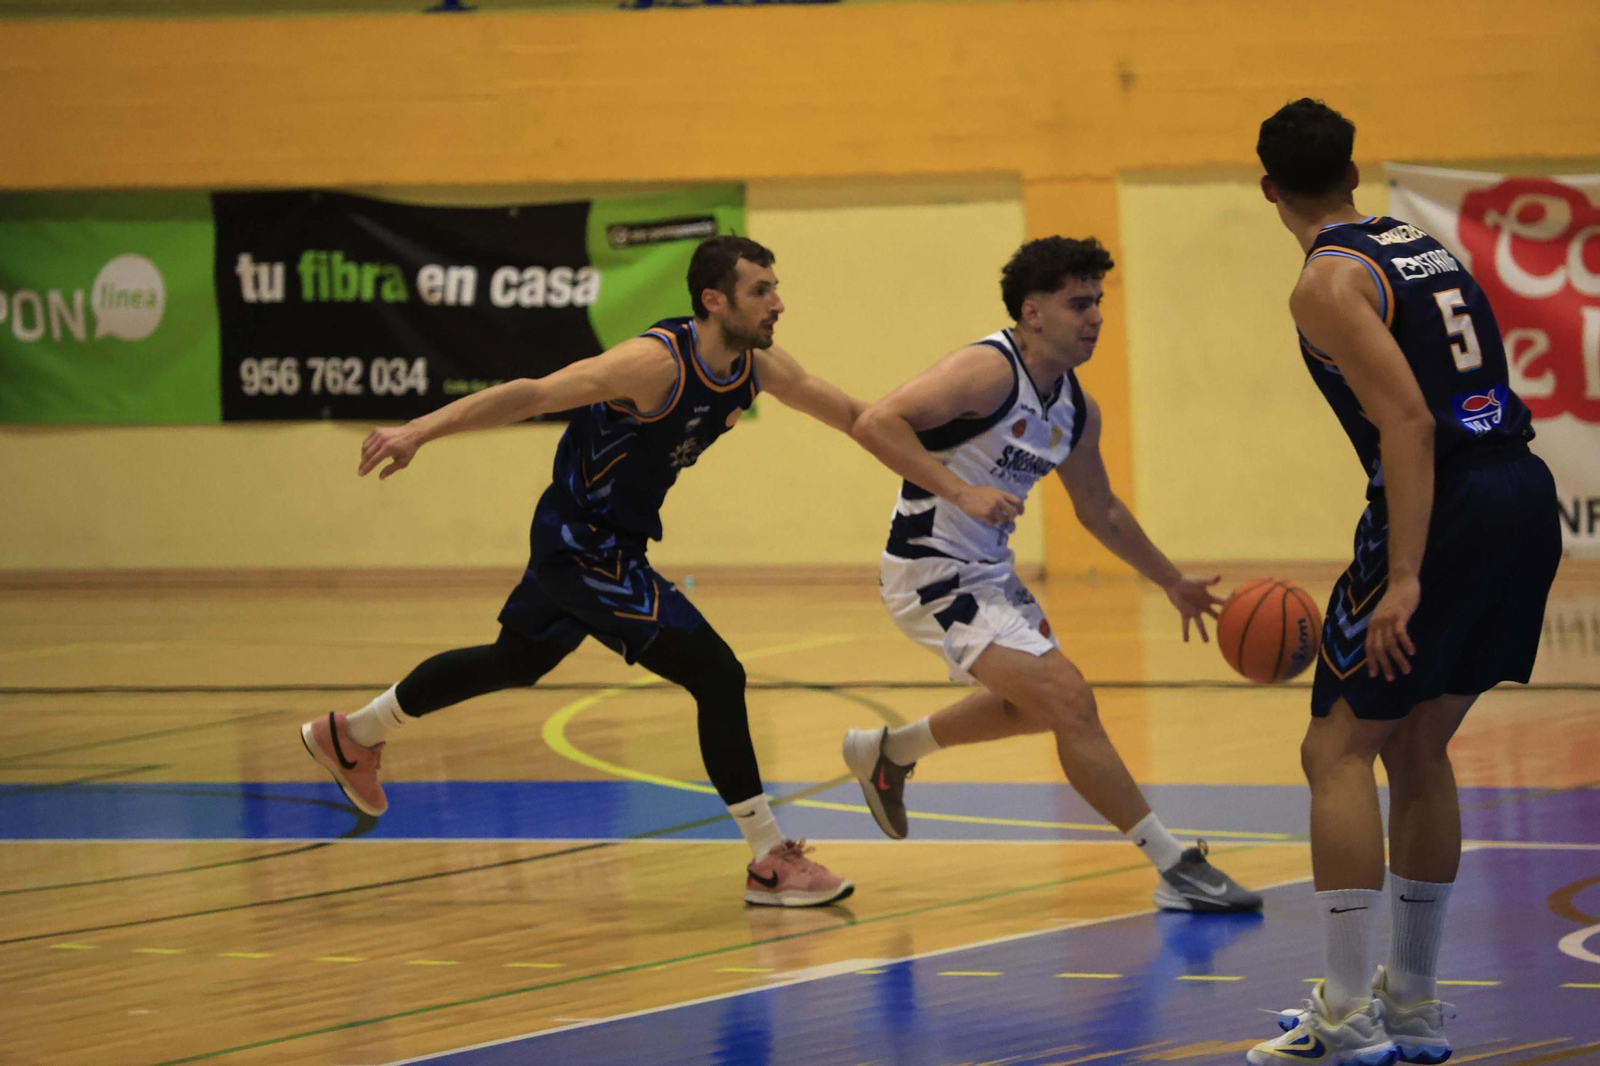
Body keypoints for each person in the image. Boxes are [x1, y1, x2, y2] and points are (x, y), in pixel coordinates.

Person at [299, 236, 863, 908]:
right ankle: (769, 860)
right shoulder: (652, 364)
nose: (778, 303)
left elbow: (857, 416)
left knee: (514, 661)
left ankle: (353, 734)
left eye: (775, 287)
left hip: (609, 539)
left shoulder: (758, 366)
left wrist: (950, 459)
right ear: (714, 301)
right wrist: (420, 429)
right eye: (760, 291)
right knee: (717, 673)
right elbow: (532, 394)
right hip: (582, 545)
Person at [1245, 99, 1562, 1064]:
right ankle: (1415, 1008)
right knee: (1418, 744)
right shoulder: (1415, 243)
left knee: (1333, 752)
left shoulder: (1326, 282)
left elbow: (1411, 425)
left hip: (1446, 503)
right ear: (1353, 169)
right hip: (1522, 489)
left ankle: (1345, 1019)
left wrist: (1407, 575)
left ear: (1267, 189)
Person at [840, 235, 1263, 915]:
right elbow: (874, 423)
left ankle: (888, 753)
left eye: (1098, 301)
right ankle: (1174, 865)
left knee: (1035, 709)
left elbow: (1100, 511)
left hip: (988, 572)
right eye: (1078, 303)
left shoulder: (1073, 406)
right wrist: (960, 491)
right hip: (932, 570)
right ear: (1032, 312)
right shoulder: (986, 370)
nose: (1095, 316)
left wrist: (1171, 580)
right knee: (1071, 701)